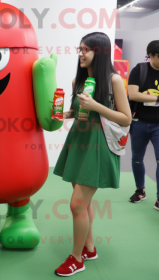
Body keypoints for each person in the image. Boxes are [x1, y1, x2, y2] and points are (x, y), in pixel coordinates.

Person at [53, 32, 131, 277]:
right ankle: (89, 247)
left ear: (100, 52)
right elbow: (78, 112)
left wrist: (96, 106)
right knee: (82, 202)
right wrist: (63, 115)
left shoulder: (114, 80)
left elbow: (126, 118)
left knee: (77, 203)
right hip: (78, 142)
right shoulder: (79, 79)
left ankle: (76, 259)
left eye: (86, 49)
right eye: (80, 49)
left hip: (98, 146)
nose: (81, 53)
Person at [128, 40, 159, 211]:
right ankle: (140, 190)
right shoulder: (140, 69)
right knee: (137, 158)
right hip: (139, 122)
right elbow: (133, 94)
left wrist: (145, 96)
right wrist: (156, 98)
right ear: (152, 55)